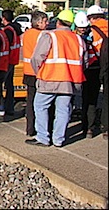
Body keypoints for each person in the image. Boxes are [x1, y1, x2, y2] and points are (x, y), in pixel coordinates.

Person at [26, 9, 87, 148]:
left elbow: (36, 58)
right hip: (70, 81)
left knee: (40, 106)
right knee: (63, 110)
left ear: (58, 22)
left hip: (49, 78)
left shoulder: (49, 36)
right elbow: (85, 62)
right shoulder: (78, 39)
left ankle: (43, 137)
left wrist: (39, 73)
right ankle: (59, 139)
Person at [20, 10, 49, 137]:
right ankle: (41, 128)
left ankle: (30, 129)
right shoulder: (43, 35)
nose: (47, 23)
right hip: (39, 72)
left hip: (28, 71)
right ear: (39, 22)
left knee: (30, 102)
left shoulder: (26, 34)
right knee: (41, 103)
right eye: (45, 21)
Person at [74, 11, 101, 138]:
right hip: (95, 69)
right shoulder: (95, 34)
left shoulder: (74, 37)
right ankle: (89, 127)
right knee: (91, 99)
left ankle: (86, 127)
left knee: (83, 99)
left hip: (83, 70)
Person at [86, 5, 108, 140]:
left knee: (91, 97)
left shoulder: (91, 31)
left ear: (91, 18)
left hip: (94, 65)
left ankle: (89, 128)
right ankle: (106, 129)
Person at [0, 9, 22, 117]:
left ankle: (1, 107)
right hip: (13, 60)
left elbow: (6, 46)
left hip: (7, 61)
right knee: (9, 85)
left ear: (4, 18)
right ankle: (9, 108)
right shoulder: (15, 29)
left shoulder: (8, 30)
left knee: (0, 84)